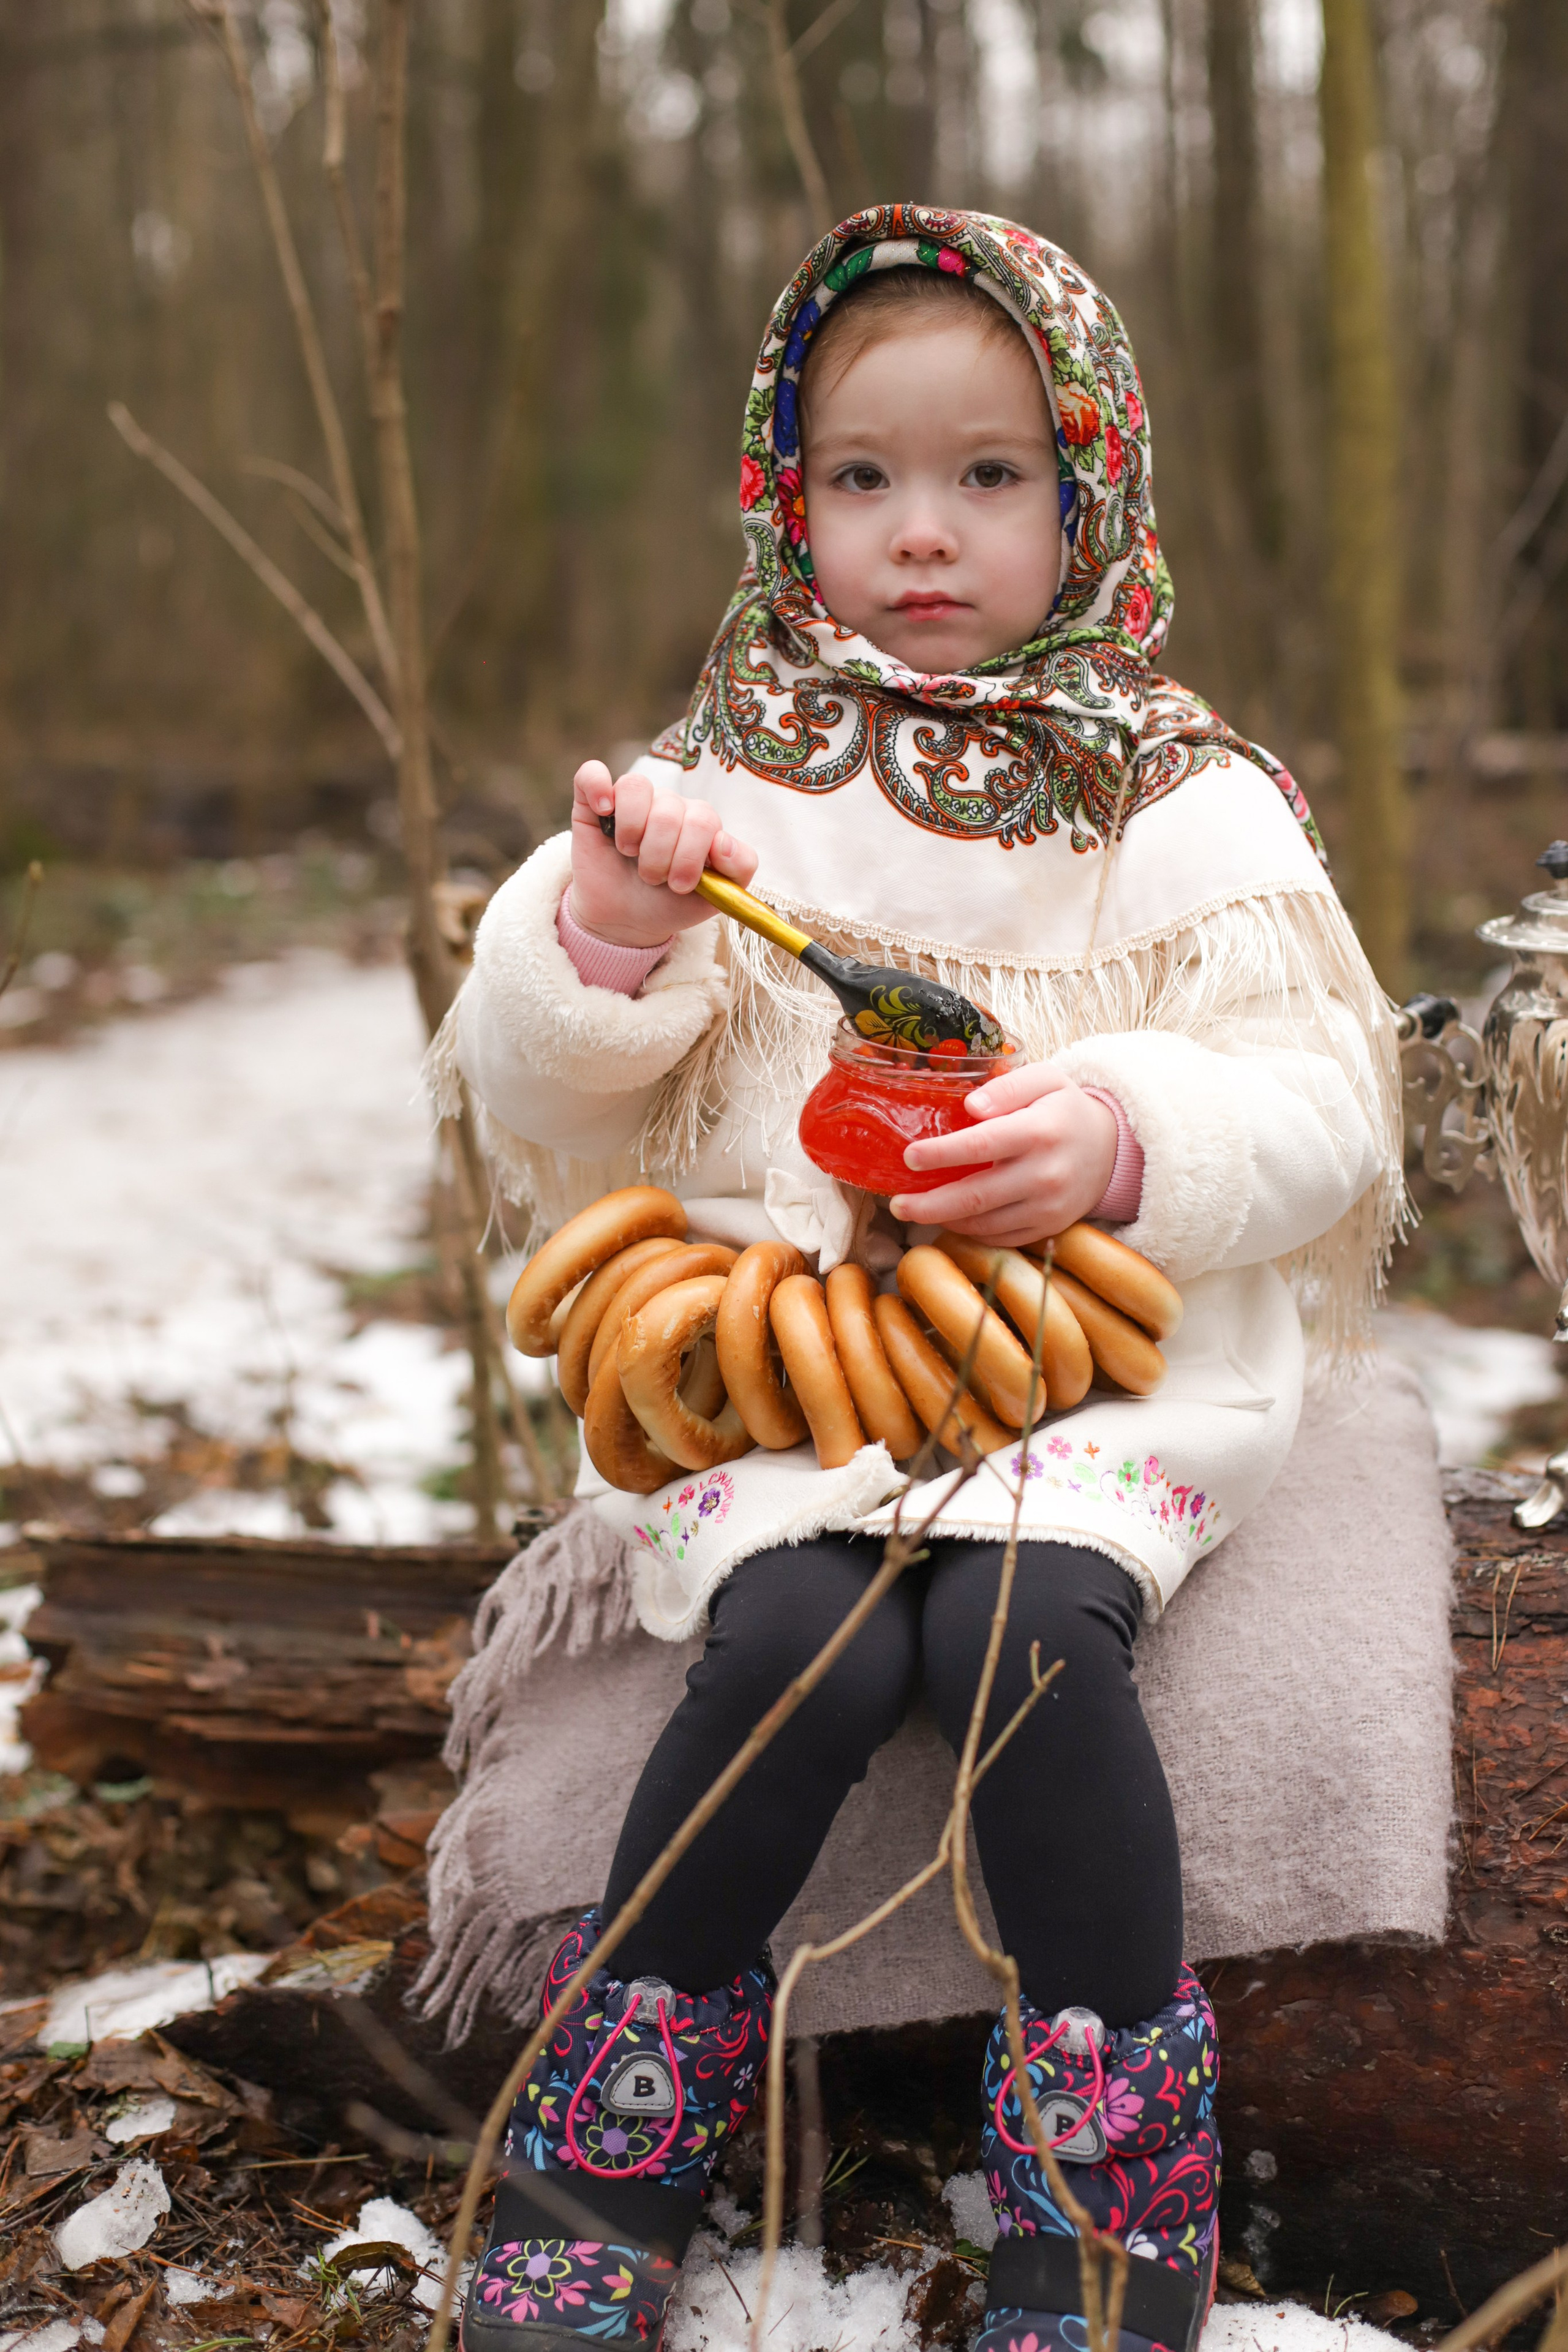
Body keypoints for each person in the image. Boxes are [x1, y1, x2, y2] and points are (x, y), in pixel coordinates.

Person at [440, 204, 1401, 2352]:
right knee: (797, 1631)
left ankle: (1101, 2152)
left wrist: (1125, 1132)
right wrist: (611, 926)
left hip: (1096, 1362)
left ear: (1095, 487)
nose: (923, 536)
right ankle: (615, 2113)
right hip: (800, 1362)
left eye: (991, 477)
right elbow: (542, 1085)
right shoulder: (721, 775)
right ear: (790, 499)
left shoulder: (1182, 796)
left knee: (1019, 1636)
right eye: (860, 478)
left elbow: (1326, 1097)